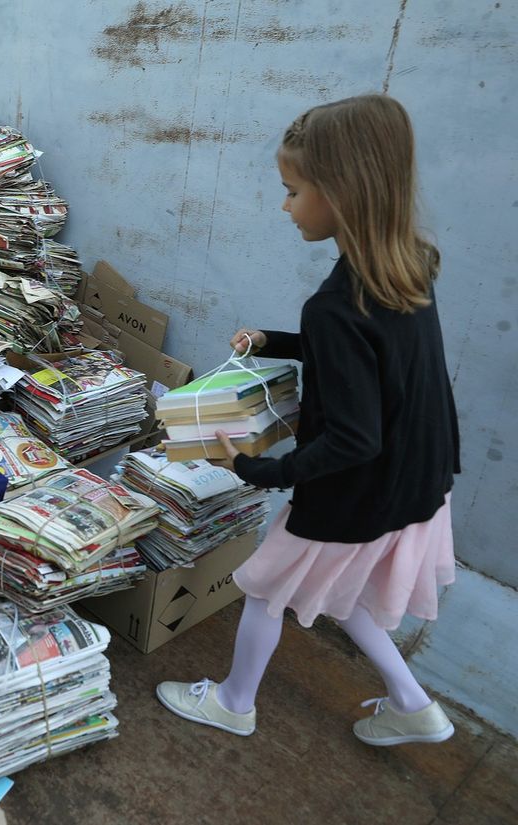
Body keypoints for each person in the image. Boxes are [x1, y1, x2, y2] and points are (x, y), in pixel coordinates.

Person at [156, 94, 460, 746]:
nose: (285, 205)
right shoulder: (408, 263)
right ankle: (413, 703)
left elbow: (353, 435)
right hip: (419, 477)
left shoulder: (336, 306)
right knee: (339, 592)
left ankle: (234, 701)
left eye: (293, 190)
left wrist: (258, 468)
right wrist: (274, 339)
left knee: (268, 588)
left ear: (340, 193)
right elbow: (372, 361)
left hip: (354, 490)